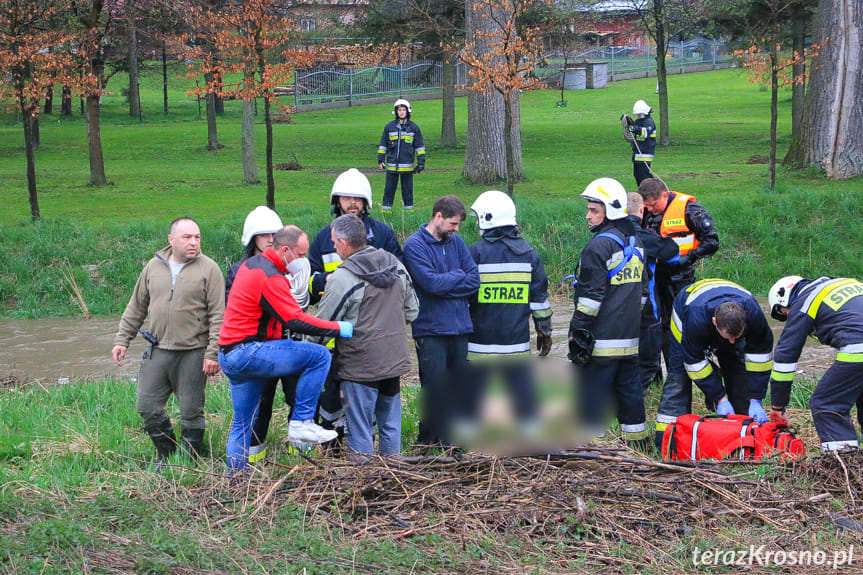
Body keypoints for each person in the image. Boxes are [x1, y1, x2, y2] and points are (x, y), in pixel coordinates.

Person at [218, 225, 353, 472]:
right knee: (319, 355)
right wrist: (336, 327)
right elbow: (295, 319)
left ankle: (236, 479)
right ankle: (302, 421)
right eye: (301, 255)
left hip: (229, 353)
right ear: (285, 250)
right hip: (248, 351)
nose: (303, 261)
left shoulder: (252, 265)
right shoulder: (270, 277)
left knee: (242, 423)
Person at [111, 217, 225, 463]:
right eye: (187, 237)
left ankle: (190, 458)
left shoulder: (209, 269)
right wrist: (122, 339)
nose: (193, 242)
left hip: (194, 351)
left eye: (197, 237)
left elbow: (219, 315)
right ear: (171, 240)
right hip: (158, 350)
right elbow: (137, 306)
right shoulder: (153, 267)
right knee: (146, 405)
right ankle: (166, 453)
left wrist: (212, 353)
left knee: (191, 411)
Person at [310, 214, 418, 458]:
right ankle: (395, 474)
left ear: (346, 243)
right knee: (390, 424)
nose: (334, 247)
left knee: (359, 429)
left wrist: (306, 353)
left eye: (335, 242)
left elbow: (322, 325)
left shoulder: (342, 277)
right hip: (393, 360)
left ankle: (364, 482)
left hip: (359, 366)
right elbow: (413, 310)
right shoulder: (395, 265)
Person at [307, 168, 403, 441]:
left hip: (371, 335)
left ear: (366, 203)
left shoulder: (382, 235)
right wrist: (333, 281)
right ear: (336, 201)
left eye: (357, 198)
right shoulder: (324, 238)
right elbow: (311, 284)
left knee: (368, 399)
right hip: (335, 334)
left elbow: (400, 276)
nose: (351, 203)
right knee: (330, 396)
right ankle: (331, 445)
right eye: (345, 197)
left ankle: (363, 450)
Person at [462, 190, 552, 435]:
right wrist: (544, 333)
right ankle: (531, 434)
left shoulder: (474, 253)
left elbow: (462, 297)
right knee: (522, 387)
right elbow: (540, 301)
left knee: (471, 388)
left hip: (479, 341)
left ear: (487, 218)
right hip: (516, 341)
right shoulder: (529, 254)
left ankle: (465, 438)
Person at [225, 206, 311, 463]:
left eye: (275, 234)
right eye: (264, 235)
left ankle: (304, 459)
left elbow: (301, 304)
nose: (271, 239)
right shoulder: (241, 270)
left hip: (291, 343)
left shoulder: (293, 266)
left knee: (300, 400)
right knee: (260, 406)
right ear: (253, 238)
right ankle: (252, 461)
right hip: (259, 349)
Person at [568, 178, 648, 449]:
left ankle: (593, 450)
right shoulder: (636, 242)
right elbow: (643, 293)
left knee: (592, 394)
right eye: (589, 210)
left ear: (610, 210)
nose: (588, 216)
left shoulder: (598, 247)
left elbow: (590, 300)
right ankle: (639, 447)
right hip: (629, 340)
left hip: (600, 342)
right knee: (630, 393)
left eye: (594, 210)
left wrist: (577, 332)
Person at [654, 279, 774, 450]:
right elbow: (694, 363)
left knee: (738, 370)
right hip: (686, 310)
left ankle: (743, 434)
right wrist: (719, 398)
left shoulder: (753, 314)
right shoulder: (695, 318)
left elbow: (761, 358)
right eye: (728, 337)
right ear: (714, 322)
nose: (732, 341)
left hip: (728, 309)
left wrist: (755, 398)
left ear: (745, 322)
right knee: (679, 379)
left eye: (737, 336)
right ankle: (667, 441)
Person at [403, 195, 480, 448]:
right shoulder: (414, 245)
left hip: (460, 326)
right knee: (434, 386)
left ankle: (440, 439)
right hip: (430, 328)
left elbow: (474, 280)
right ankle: (431, 438)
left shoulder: (456, 242)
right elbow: (430, 284)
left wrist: (449, 281)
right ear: (438, 216)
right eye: (453, 224)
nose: (456, 230)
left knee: (457, 385)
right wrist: (457, 277)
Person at [768, 276, 863, 452]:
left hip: (859, 349)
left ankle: (845, 464)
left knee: (827, 404)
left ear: (785, 298)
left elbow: (785, 356)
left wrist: (778, 406)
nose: (788, 316)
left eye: (783, 312)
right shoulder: (847, 283)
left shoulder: (805, 300)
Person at [639, 178, 719, 376]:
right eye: (646, 206)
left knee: (680, 324)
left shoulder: (690, 210)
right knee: (653, 323)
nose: (650, 209)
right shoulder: (646, 211)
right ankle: (654, 374)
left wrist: (686, 259)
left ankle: (682, 373)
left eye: (653, 205)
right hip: (652, 277)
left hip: (679, 277)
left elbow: (711, 242)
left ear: (664, 196)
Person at [626, 192, 680, 389]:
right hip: (647, 309)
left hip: (615, 311)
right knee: (648, 362)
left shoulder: (606, 236)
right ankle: (637, 398)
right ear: (642, 210)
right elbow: (673, 255)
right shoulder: (646, 236)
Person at [378, 98, 425, 212]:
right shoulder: (389, 127)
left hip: (407, 167)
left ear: (407, 111)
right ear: (396, 111)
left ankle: (409, 212)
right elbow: (383, 145)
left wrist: (421, 163)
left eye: (403, 109)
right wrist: (380, 159)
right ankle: (386, 211)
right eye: (399, 110)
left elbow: (419, 147)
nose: (401, 112)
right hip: (392, 165)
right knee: (389, 190)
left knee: (407, 191)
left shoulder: (414, 128)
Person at [629, 99, 657, 186]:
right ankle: (642, 192)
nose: (638, 116)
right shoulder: (639, 122)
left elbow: (645, 133)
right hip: (637, 154)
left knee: (644, 176)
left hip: (645, 154)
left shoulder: (649, 122)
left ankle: (653, 190)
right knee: (637, 175)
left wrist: (637, 129)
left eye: (639, 114)